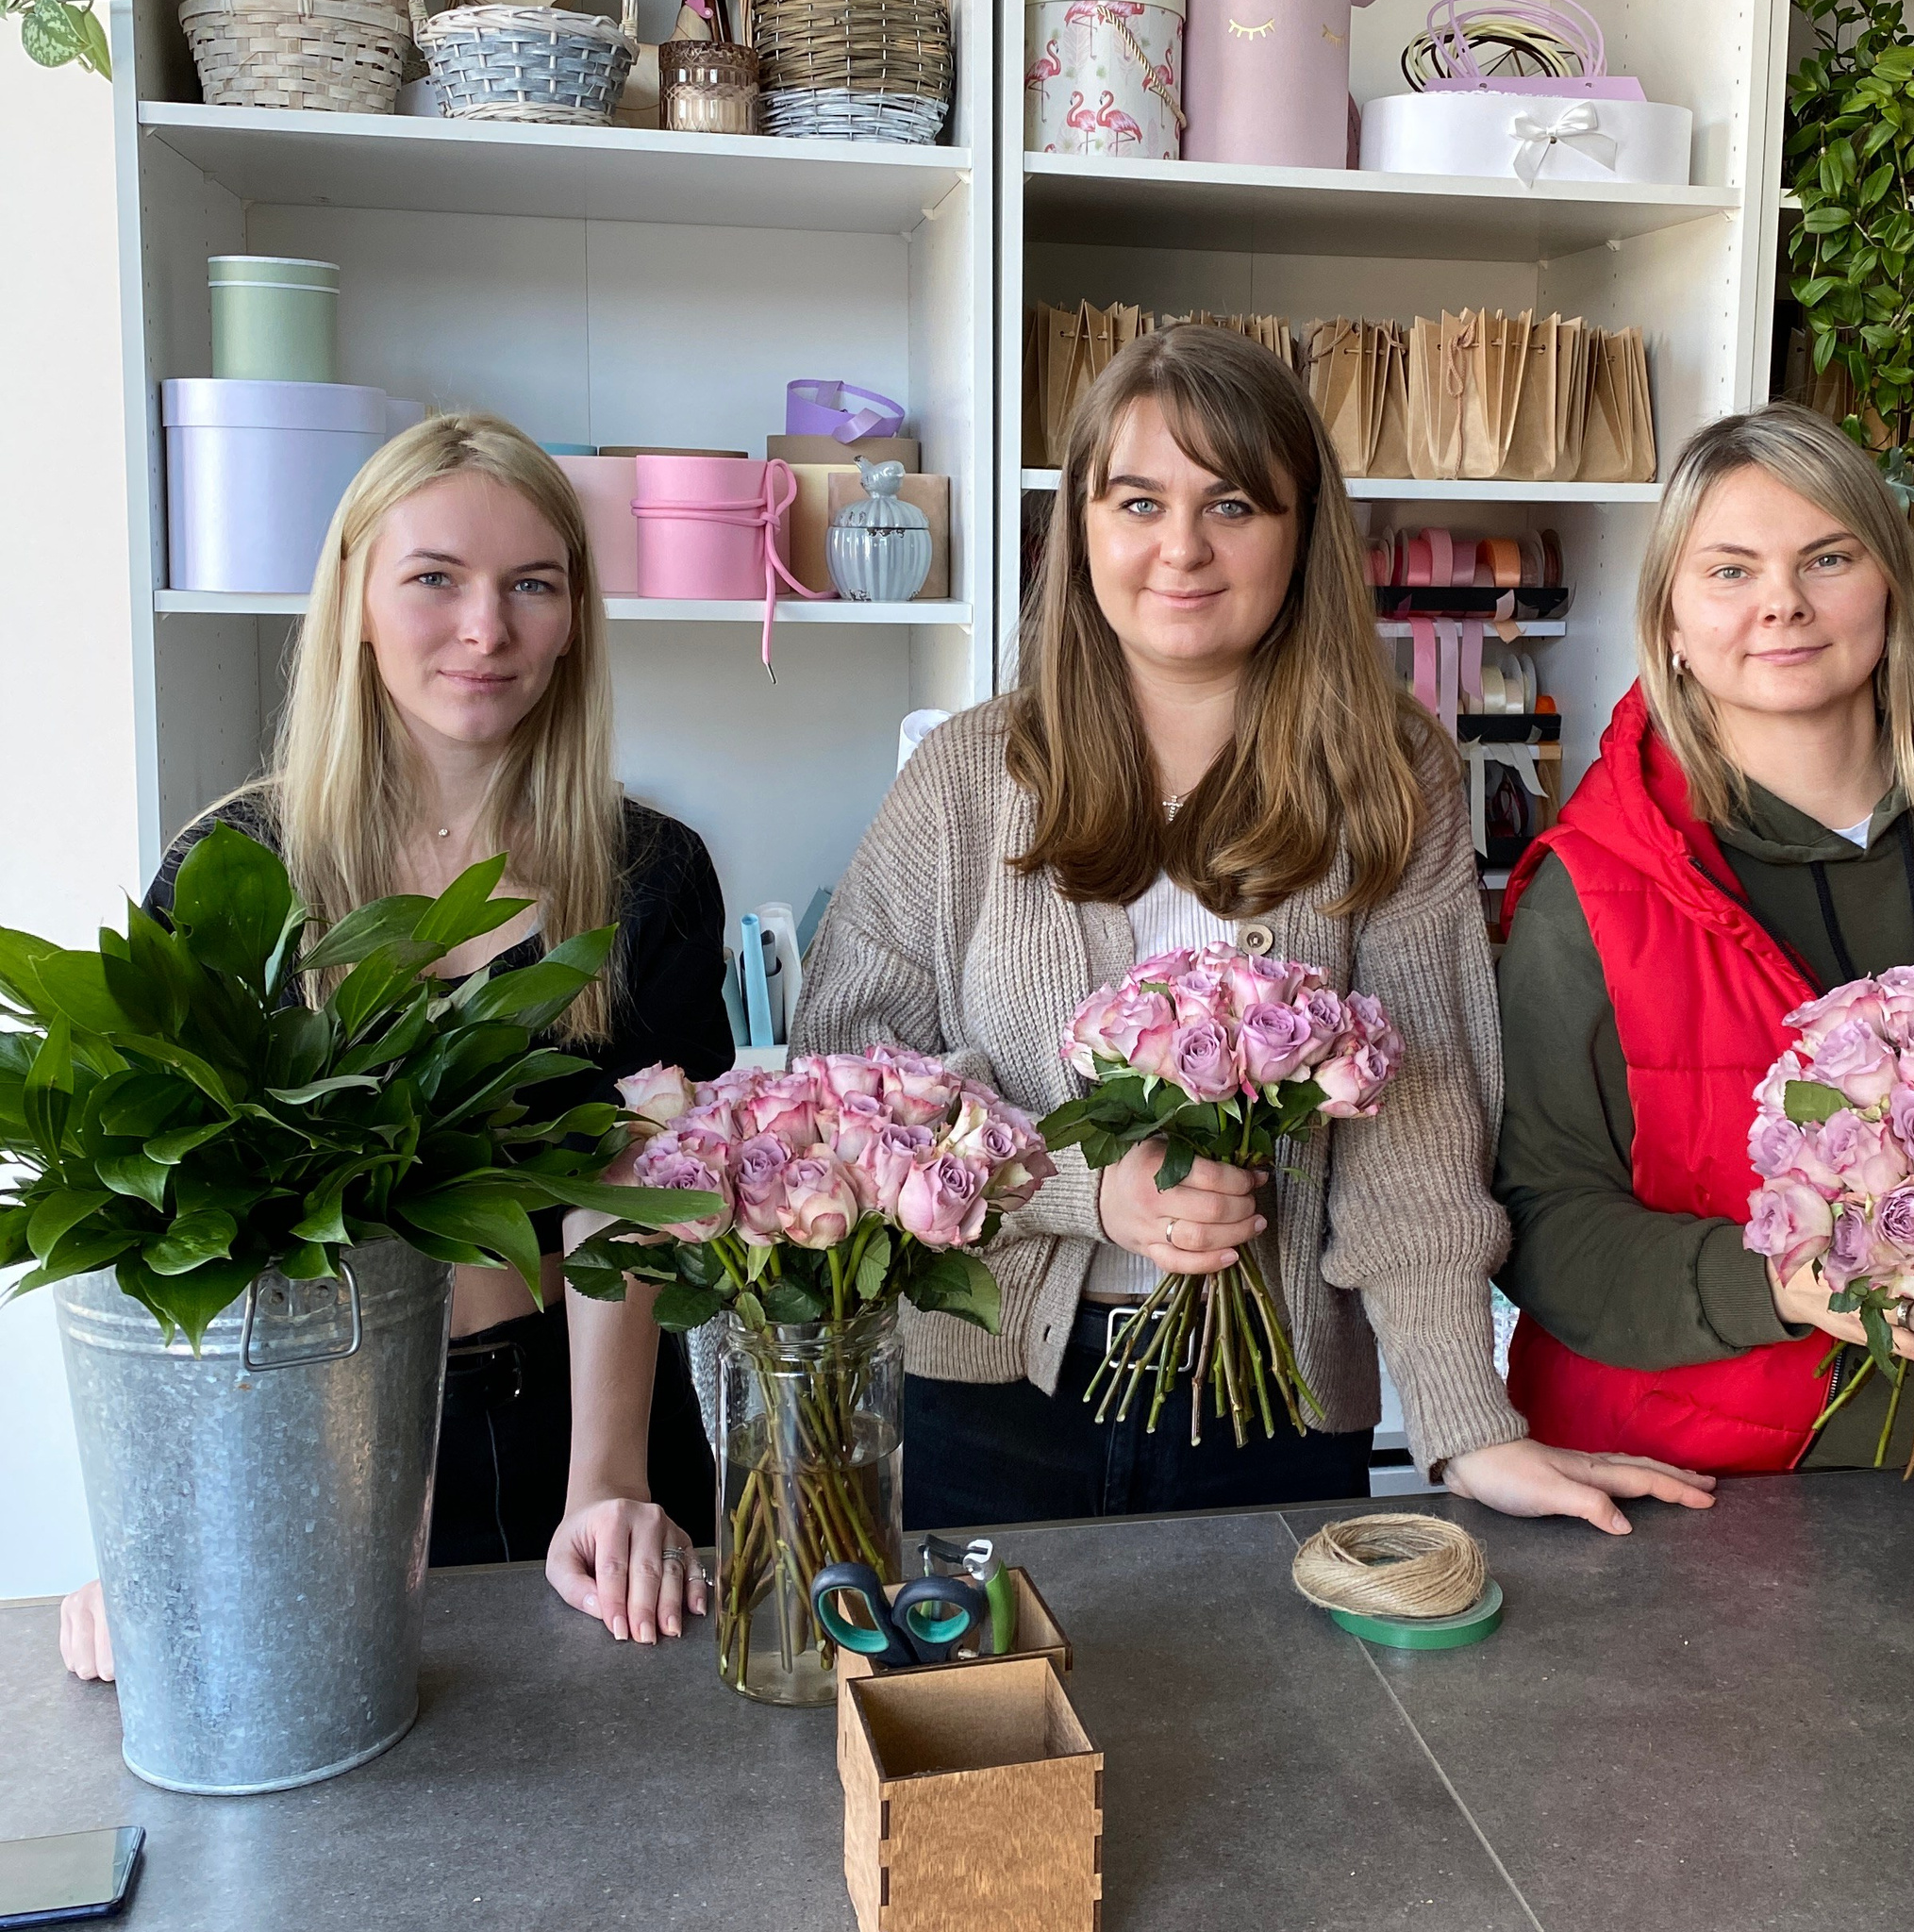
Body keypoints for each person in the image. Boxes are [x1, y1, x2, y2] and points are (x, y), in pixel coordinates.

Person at [793, 325, 1716, 1535]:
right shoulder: (969, 774)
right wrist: (1083, 1187)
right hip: (984, 1401)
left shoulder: (1393, 776)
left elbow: (1423, 1123)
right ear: (1078, 523)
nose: (1180, 548)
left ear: (1299, 530)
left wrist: (1464, 1421)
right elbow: (853, 1074)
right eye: (1137, 500)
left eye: (1231, 503)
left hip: (1270, 1409)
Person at [59, 414, 732, 1683]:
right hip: (303, 1432)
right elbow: (162, 1225)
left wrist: (609, 1484)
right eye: (436, 579)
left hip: (583, 1419)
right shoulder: (233, 870)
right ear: (356, 598)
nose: (488, 630)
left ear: (576, 614)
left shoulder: (653, 873)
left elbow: (637, 1181)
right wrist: (159, 1529)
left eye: (533, 585)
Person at [1493, 404, 1914, 1474]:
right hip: (1701, 1490)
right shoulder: (1590, 886)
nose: (1783, 604)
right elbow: (1540, 1217)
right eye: (1729, 570)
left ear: (1889, 584)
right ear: (1667, 619)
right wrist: (1784, 1281)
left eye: (1826, 558)